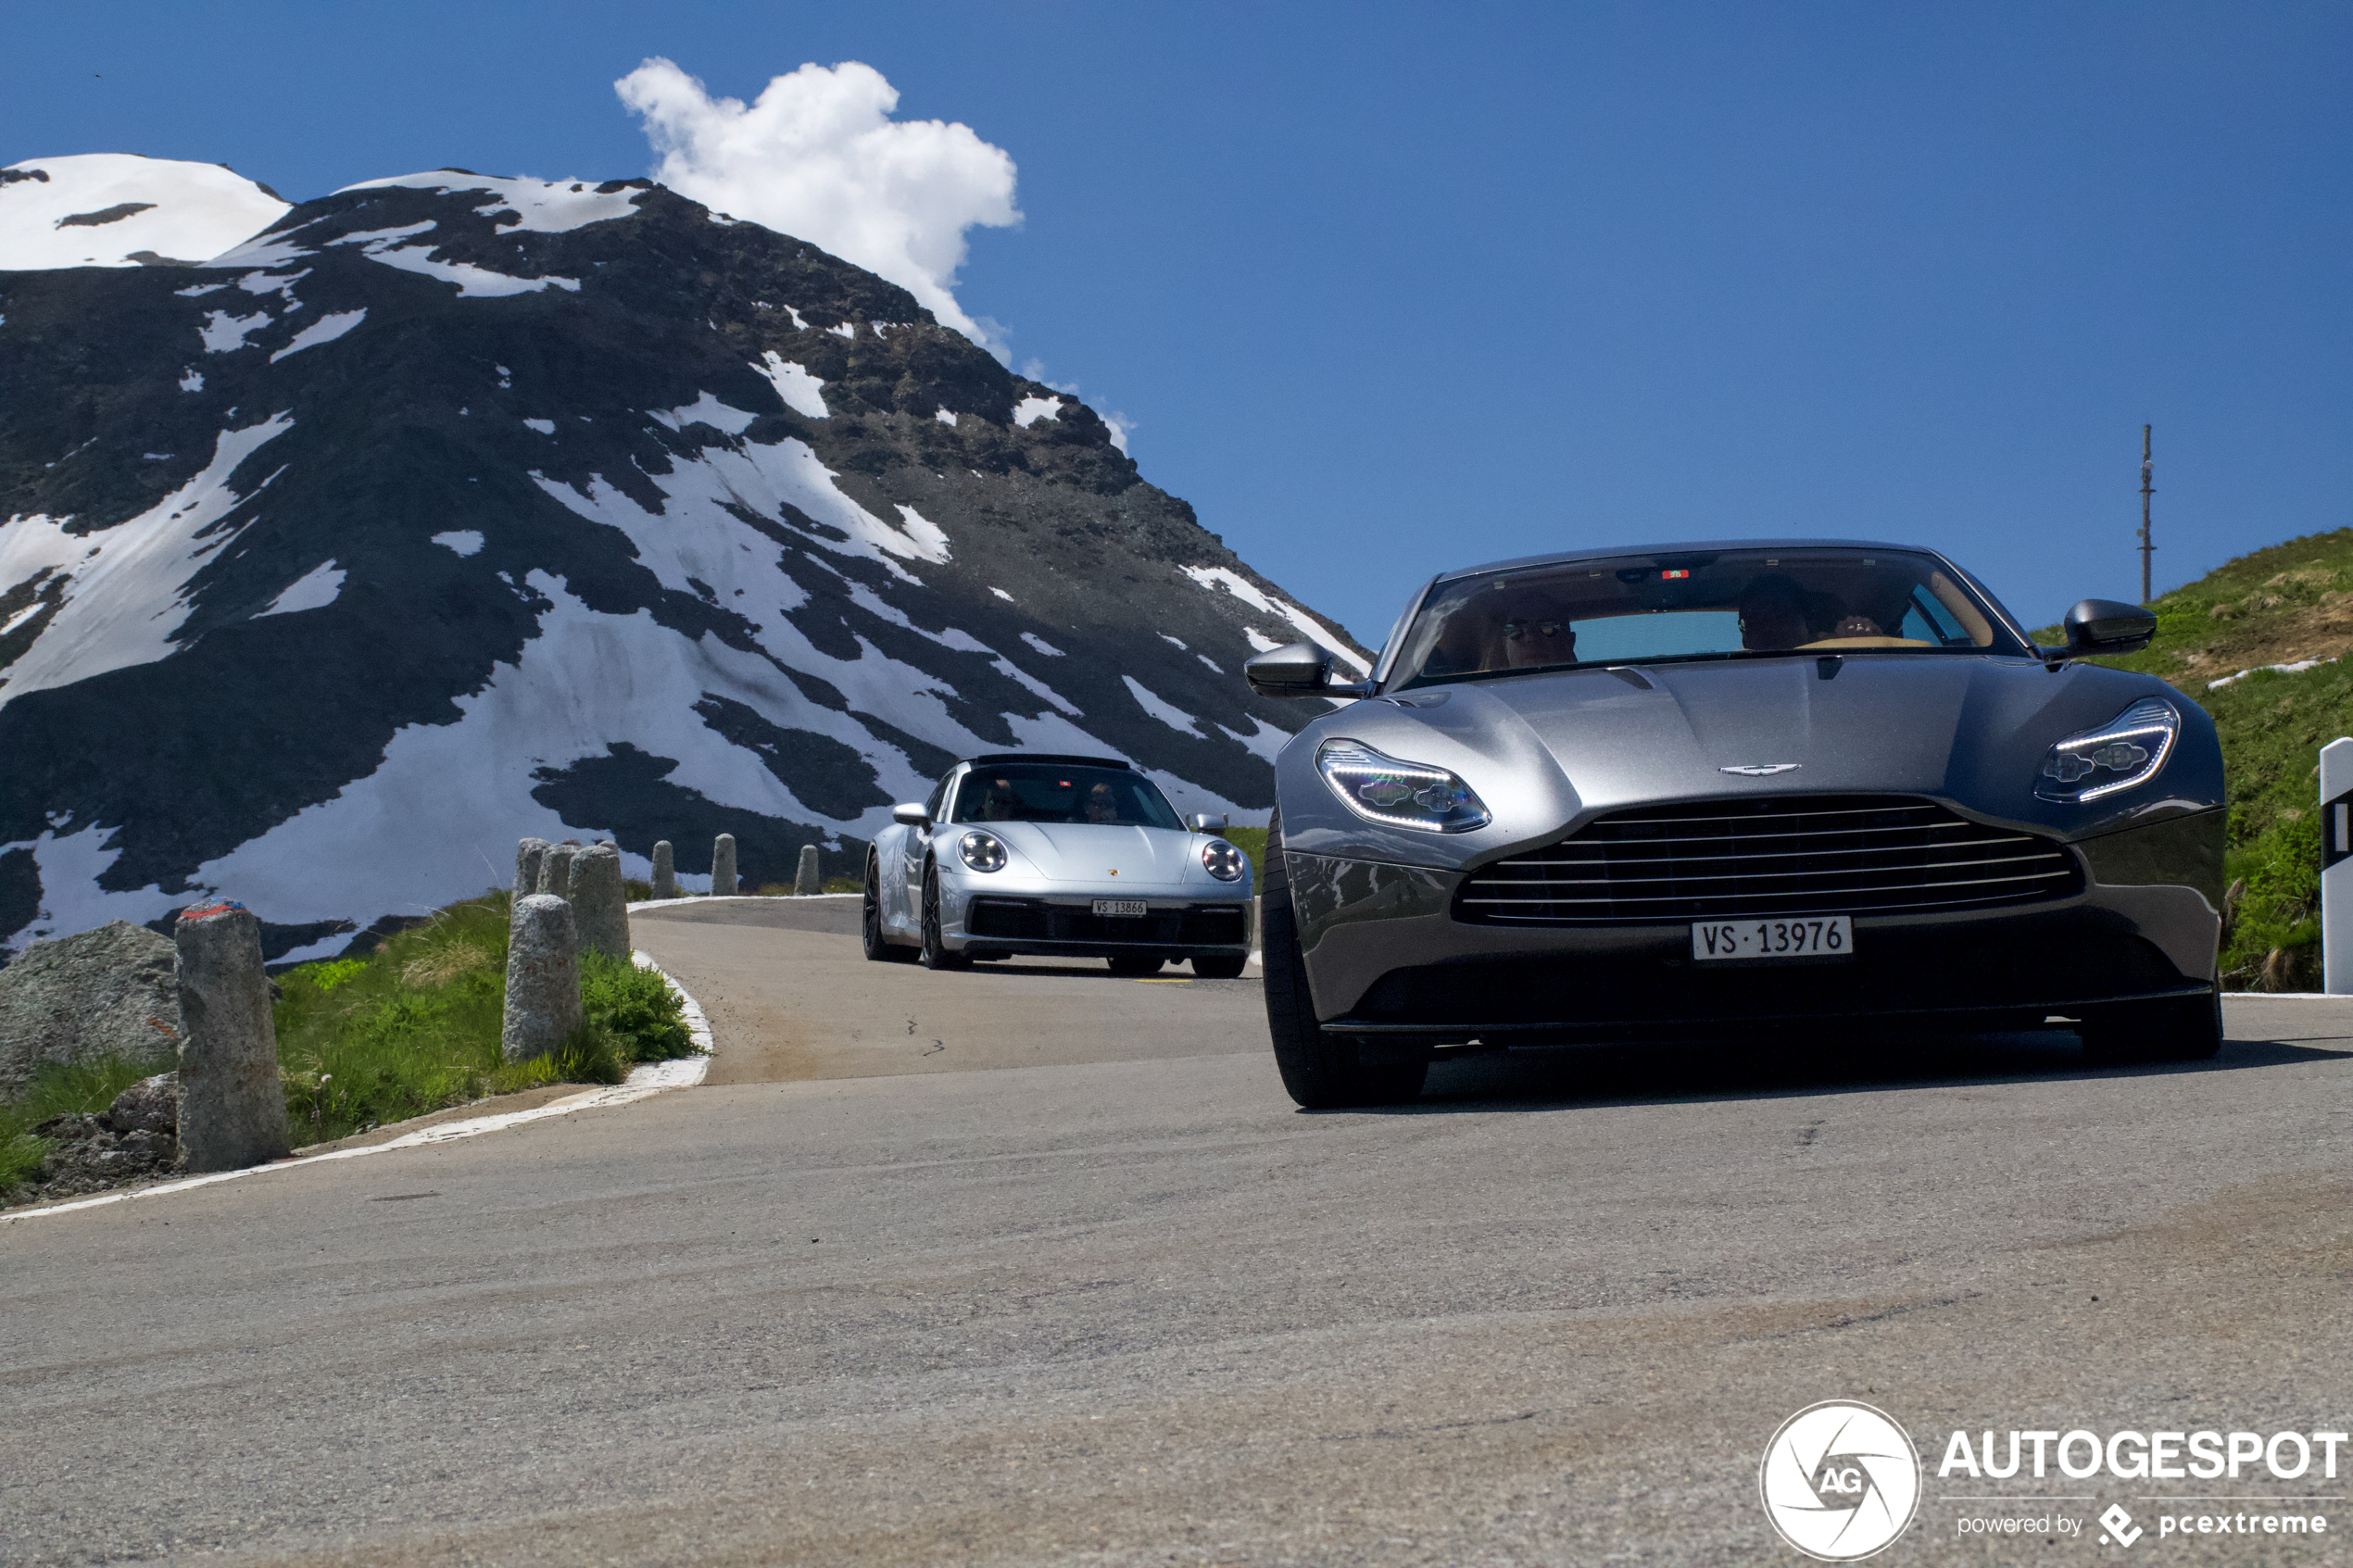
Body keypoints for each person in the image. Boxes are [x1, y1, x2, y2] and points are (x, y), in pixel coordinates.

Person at [1737, 574, 1811, 651]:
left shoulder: (1821, 658)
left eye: (1781, 617)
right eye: (1756, 620)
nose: (1768, 629)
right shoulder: (1729, 662)